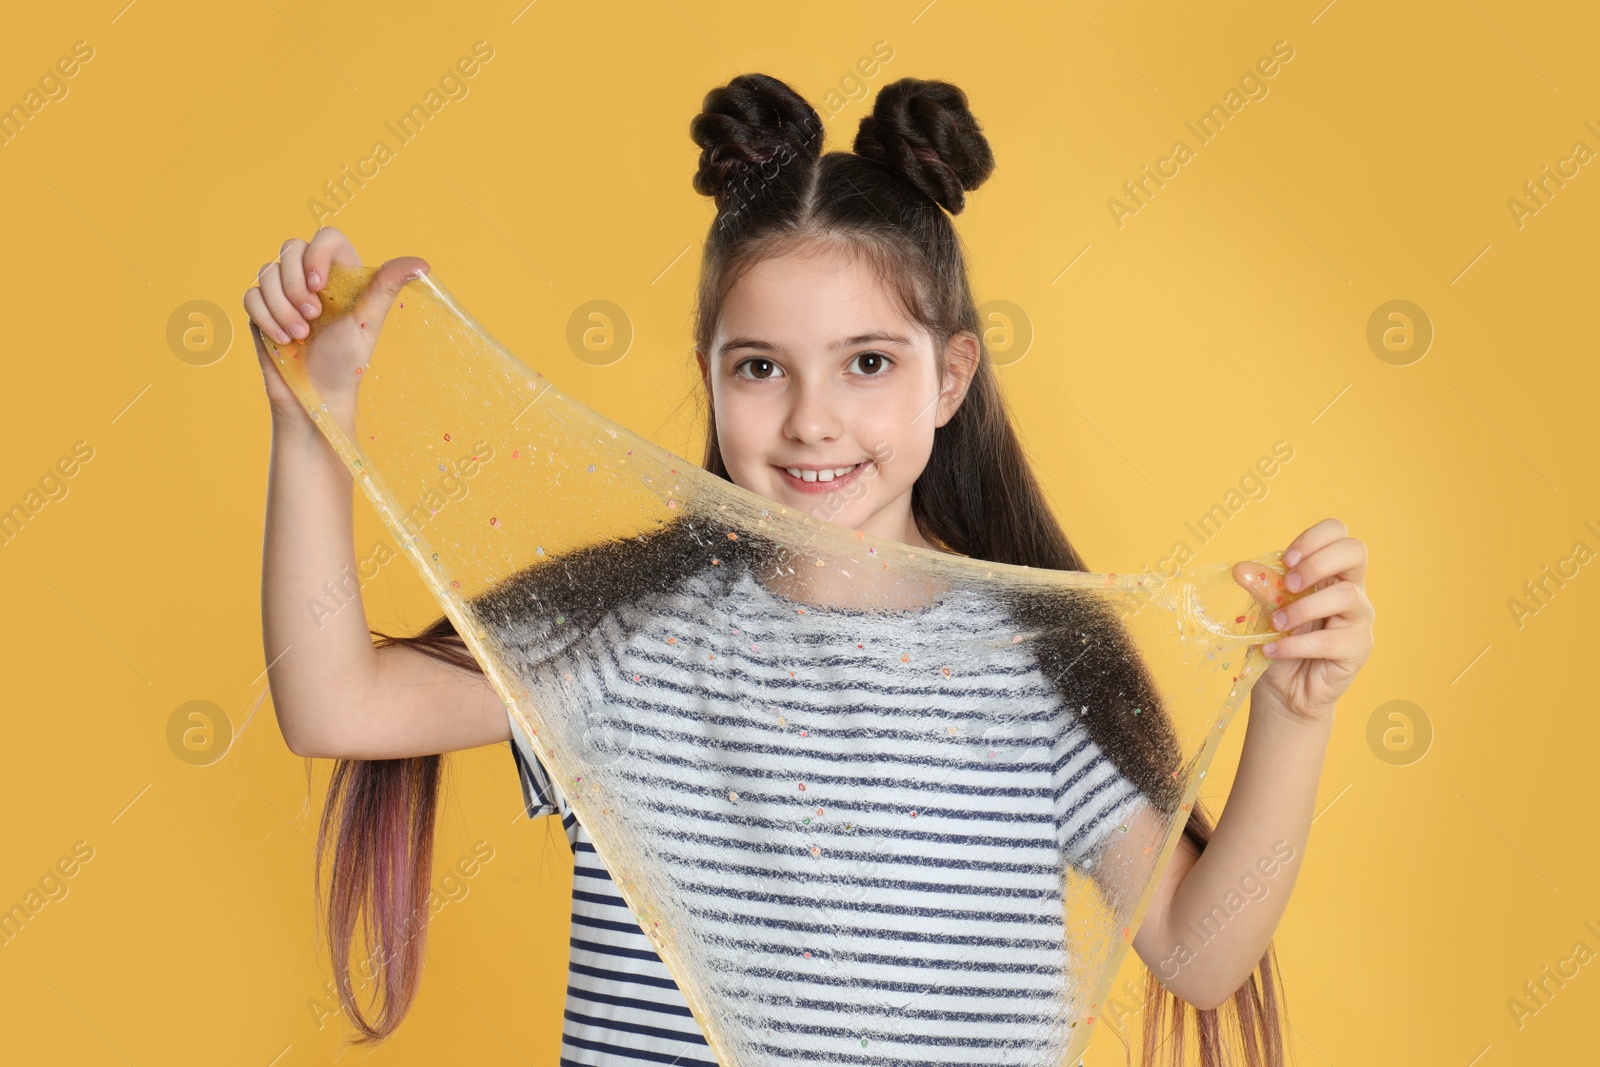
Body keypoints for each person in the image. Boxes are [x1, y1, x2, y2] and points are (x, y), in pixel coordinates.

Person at [244, 73, 1374, 1067]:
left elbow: (1196, 948)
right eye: (760, 368)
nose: (810, 421)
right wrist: (313, 423)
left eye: (867, 362)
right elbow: (333, 703)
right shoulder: (631, 642)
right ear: (708, 376)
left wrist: (1293, 713)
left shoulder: (1026, 665)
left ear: (949, 376)